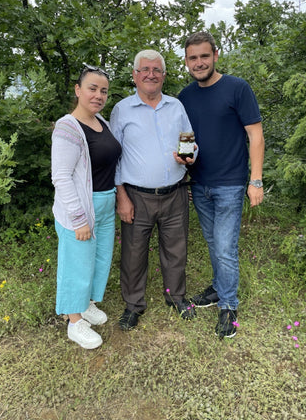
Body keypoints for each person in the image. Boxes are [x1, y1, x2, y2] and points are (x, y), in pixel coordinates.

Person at [179, 31, 265, 339]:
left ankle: (229, 306)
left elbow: (255, 136)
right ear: (186, 62)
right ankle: (218, 288)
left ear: (216, 55)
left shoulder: (237, 88)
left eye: (204, 56)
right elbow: (186, 137)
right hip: (198, 183)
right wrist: (184, 160)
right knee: (215, 244)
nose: (199, 62)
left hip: (230, 183)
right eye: (193, 58)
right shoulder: (185, 96)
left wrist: (255, 180)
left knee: (226, 248)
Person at [110, 49, 197, 331]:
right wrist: (121, 196)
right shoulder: (122, 110)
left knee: (176, 249)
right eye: (145, 69)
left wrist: (190, 155)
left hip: (176, 192)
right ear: (135, 75)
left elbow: (189, 141)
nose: (151, 74)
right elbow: (114, 156)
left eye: (156, 70)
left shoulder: (176, 106)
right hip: (136, 196)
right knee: (134, 253)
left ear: (164, 75)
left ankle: (176, 297)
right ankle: (134, 305)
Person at [51, 64, 121, 349]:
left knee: (99, 259)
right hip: (81, 208)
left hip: (105, 203)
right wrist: (79, 218)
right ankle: (74, 321)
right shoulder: (68, 126)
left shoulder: (101, 122)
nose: (98, 95)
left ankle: (87, 303)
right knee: (77, 264)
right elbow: (61, 177)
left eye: (103, 90)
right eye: (92, 88)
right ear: (78, 90)